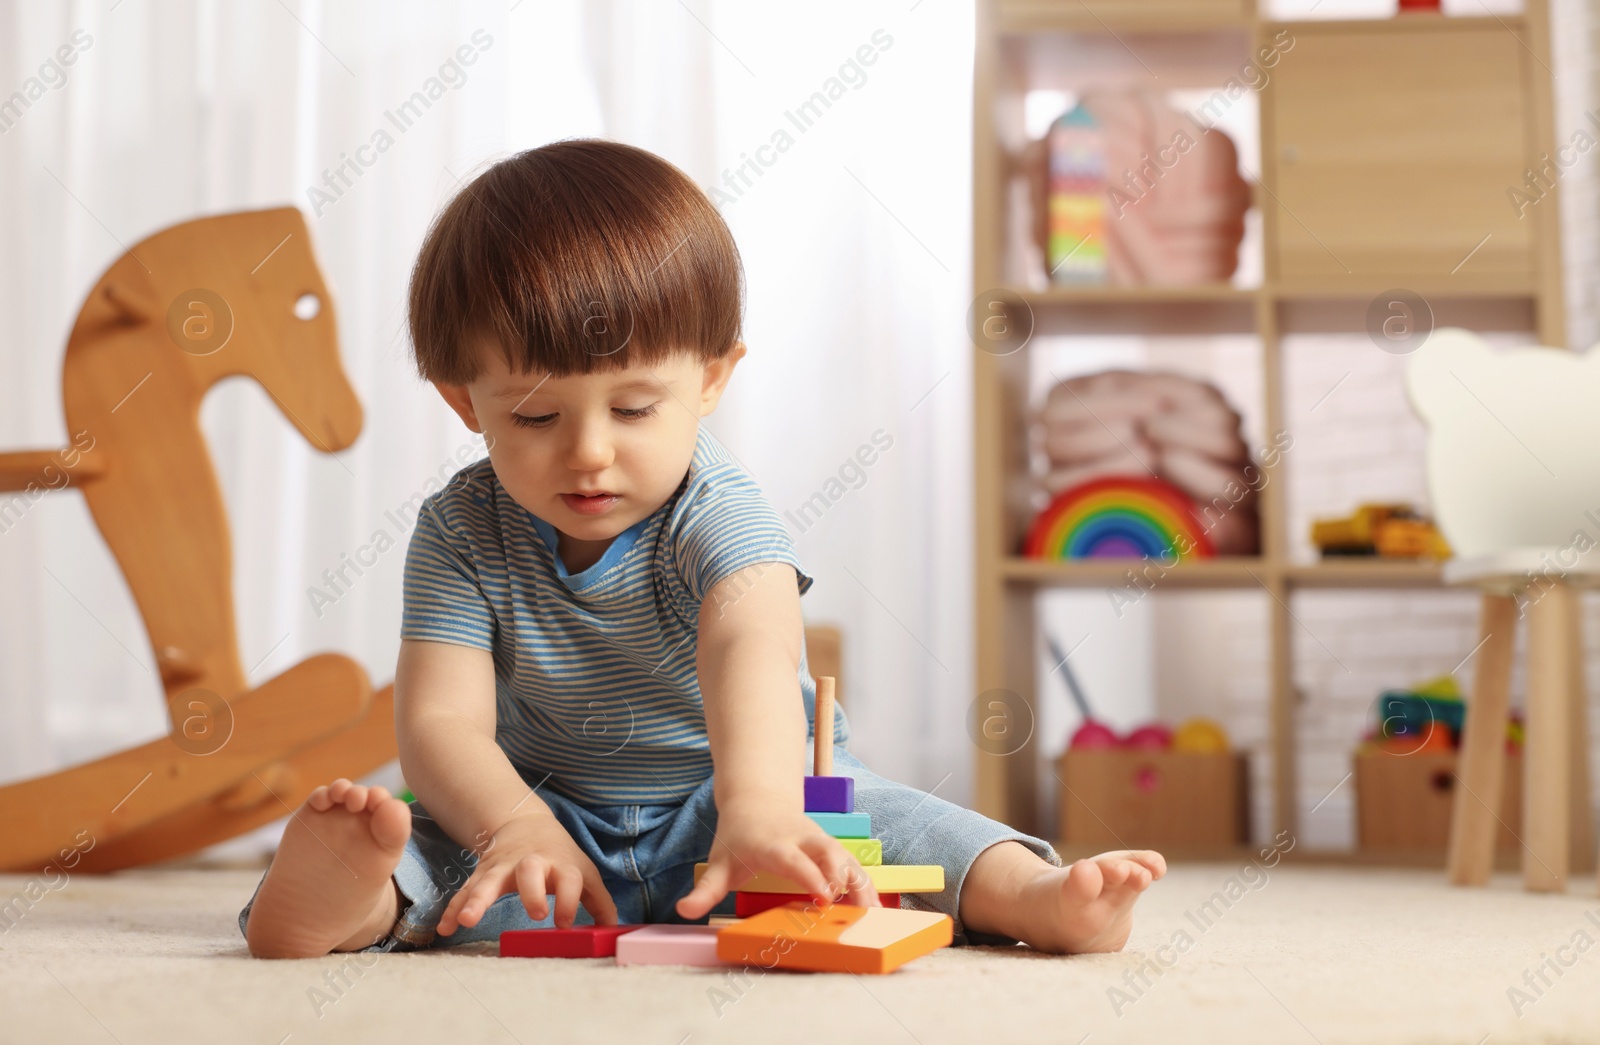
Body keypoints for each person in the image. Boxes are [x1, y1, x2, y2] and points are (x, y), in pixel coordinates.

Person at [238, 138, 1164, 959]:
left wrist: (760, 804)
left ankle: (1034, 898)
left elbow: (750, 648)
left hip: (730, 803)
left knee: (898, 824)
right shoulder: (459, 528)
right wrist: (514, 823)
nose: (590, 450)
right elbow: (440, 721)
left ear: (712, 378)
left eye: (635, 409)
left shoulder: (715, 511)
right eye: (534, 415)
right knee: (433, 847)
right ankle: (349, 904)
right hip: (539, 816)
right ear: (462, 402)